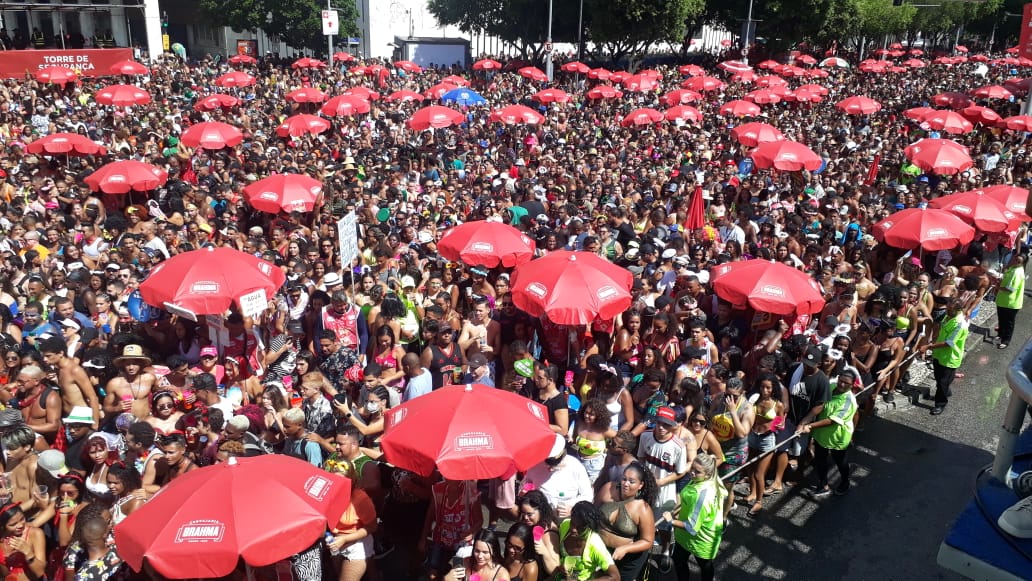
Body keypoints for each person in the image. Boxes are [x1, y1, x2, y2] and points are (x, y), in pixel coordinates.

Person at [662, 453, 728, 581]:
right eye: (692, 467)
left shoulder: (701, 496)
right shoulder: (711, 479)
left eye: (697, 472)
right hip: (687, 535)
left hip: (702, 538)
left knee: (705, 566)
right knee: (679, 559)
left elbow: (691, 527)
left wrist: (671, 521)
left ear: (707, 474)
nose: (692, 472)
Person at [797, 368, 859, 496]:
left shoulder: (849, 401)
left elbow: (832, 421)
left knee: (840, 461)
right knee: (820, 459)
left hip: (837, 437)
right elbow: (820, 405)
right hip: (821, 433)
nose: (842, 384)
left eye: (846, 383)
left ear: (852, 385)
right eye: (841, 381)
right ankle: (823, 485)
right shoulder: (830, 387)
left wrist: (810, 426)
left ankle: (845, 482)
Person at [595, 462, 657, 581]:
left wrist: (625, 549)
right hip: (601, 550)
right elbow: (592, 512)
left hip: (627, 559)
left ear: (640, 485)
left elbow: (648, 541)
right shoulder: (608, 489)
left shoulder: (642, 508)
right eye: (624, 479)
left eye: (631, 481)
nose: (625, 484)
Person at [325, 457, 378, 581]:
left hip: (357, 544)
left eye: (341, 482)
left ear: (351, 481)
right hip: (334, 543)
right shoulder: (325, 495)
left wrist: (345, 539)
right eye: (333, 480)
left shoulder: (360, 499)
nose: (336, 485)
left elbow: (372, 527)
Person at [420, 478, 483, 581]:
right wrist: (423, 538)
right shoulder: (438, 489)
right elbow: (430, 515)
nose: (450, 479)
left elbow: (479, 520)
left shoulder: (471, 492)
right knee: (433, 573)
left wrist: (471, 532)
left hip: (461, 543)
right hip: (440, 538)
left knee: (457, 573)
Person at [521, 434, 593, 519]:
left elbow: (587, 495)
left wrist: (572, 507)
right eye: (547, 463)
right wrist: (525, 492)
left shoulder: (575, 466)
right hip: (541, 515)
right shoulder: (535, 466)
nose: (550, 469)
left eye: (555, 464)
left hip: (567, 516)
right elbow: (525, 485)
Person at [544, 501, 618, 581]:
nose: (573, 529)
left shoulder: (596, 546)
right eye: (572, 523)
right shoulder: (565, 525)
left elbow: (615, 577)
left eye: (580, 527)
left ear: (589, 527)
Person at [637, 406, 691, 512]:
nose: (661, 427)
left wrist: (661, 481)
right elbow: (641, 458)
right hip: (645, 487)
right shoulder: (645, 436)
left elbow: (680, 472)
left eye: (666, 424)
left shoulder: (679, 447)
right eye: (659, 423)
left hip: (665, 492)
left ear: (672, 425)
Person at [926, 298, 972, 416]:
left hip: (950, 358)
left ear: (958, 310)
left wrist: (929, 346)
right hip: (939, 354)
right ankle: (945, 391)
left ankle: (940, 404)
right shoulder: (948, 316)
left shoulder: (960, 324)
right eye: (947, 308)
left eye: (949, 309)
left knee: (943, 382)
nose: (946, 311)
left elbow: (949, 343)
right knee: (938, 377)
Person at [0, 503, 46, 581]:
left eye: (22, 519)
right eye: (13, 524)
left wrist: (28, 552)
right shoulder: (1, 537)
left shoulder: (35, 534)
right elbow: (4, 573)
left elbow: (40, 572)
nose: (20, 525)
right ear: (3, 526)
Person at [443, 528, 510, 581]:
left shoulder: (502, 575)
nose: (480, 556)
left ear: (494, 551)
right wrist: (446, 579)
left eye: (485, 552)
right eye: (477, 551)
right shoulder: (465, 563)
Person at [994, 253, 1025, 350]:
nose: (1015, 261)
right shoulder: (1012, 268)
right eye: (1015, 259)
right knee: (1001, 319)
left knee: (1008, 323)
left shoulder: (1017, 272)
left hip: (1011, 303)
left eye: (1018, 261)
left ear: (1022, 263)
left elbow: (1011, 289)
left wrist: (998, 287)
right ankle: (1000, 334)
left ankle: (1006, 340)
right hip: (1003, 300)